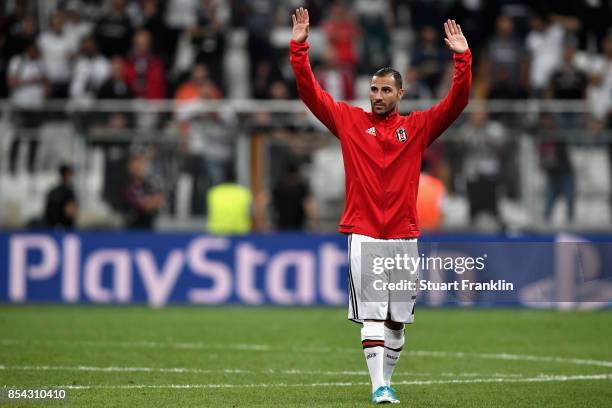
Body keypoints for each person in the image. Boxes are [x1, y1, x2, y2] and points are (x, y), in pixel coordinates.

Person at [290, 8, 471, 404]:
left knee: (397, 321)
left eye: (386, 90)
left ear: (400, 94)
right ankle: (379, 387)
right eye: (373, 89)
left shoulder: (418, 128)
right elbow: (310, 93)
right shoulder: (350, 122)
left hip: (405, 235)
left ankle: (387, 379)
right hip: (365, 232)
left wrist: (462, 58)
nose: (377, 96)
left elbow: (457, 102)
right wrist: (299, 49)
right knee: (372, 315)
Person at [44, 164, 78, 229]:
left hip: (52, 228)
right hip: (64, 228)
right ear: (65, 175)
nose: (71, 176)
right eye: (69, 174)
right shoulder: (68, 192)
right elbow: (70, 212)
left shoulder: (53, 191)